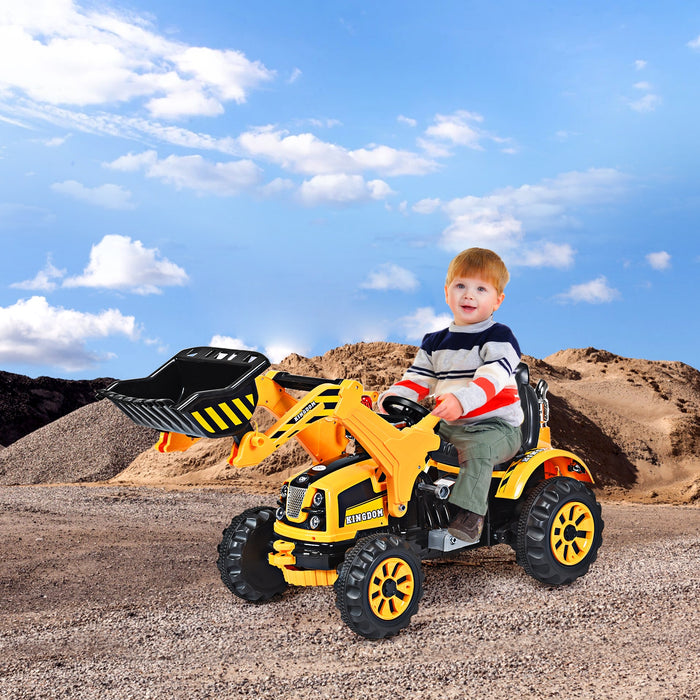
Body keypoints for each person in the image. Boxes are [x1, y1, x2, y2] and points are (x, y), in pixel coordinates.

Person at [378, 247, 524, 544]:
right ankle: (397, 510)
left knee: (478, 449)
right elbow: (417, 380)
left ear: (498, 300)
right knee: (397, 441)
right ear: (447, 293)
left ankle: (470, 516)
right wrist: (389, 400)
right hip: (448, 424)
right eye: (461, 286)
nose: (469, 295)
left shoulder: (499, 337)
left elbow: (493, 377)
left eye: (481, 289)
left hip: (495, 427)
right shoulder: (435, 342)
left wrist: (462, 401)